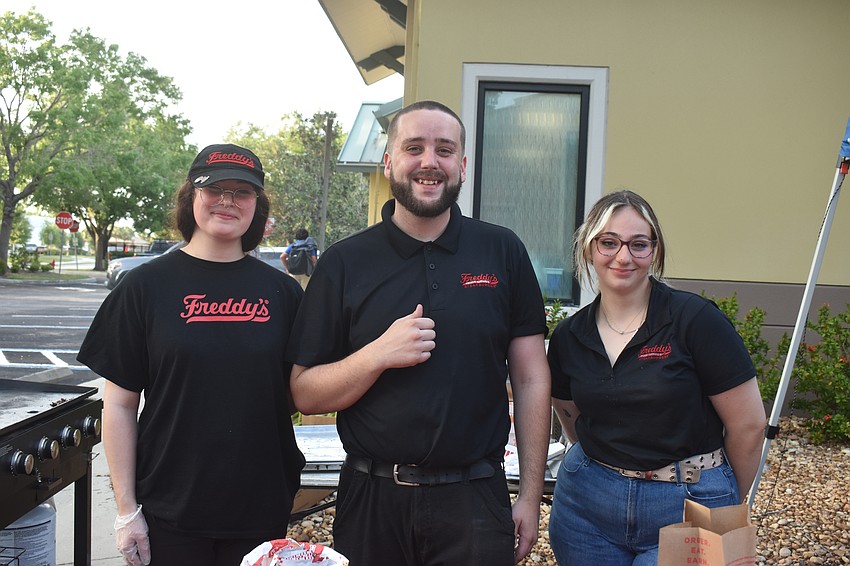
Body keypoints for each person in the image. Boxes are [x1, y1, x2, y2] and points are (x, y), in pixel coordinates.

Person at [285, 100, 552, 565]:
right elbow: (305, 393)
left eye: (444, 150)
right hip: (372, 499)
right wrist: (376, 355)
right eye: (414, 148)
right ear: (389, 162)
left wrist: (528, 494)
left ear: (462, 166)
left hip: (476, 497)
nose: (430, 161)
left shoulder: (502, 251)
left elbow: (530, 379)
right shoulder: (345, 264)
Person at [77, 143, 306, 566]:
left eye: (242, 192)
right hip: (168, 510)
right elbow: (119, 406)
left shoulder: (284, 293)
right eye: (214, 188)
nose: (227, 201)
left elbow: (302, 392)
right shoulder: (144, 288)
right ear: (191, 197)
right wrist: (126, 511)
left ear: (257, 205)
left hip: (260, 507)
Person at [546, 189, 767, 565]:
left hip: (688, 503)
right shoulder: (569, 336)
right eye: (608, 242)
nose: (623, 256)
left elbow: (749, 426)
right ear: (588, 248)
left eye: (638, 244)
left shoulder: (695, 321)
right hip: (587, 507)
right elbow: (570, 415)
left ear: (655, 252)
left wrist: (725, 503)